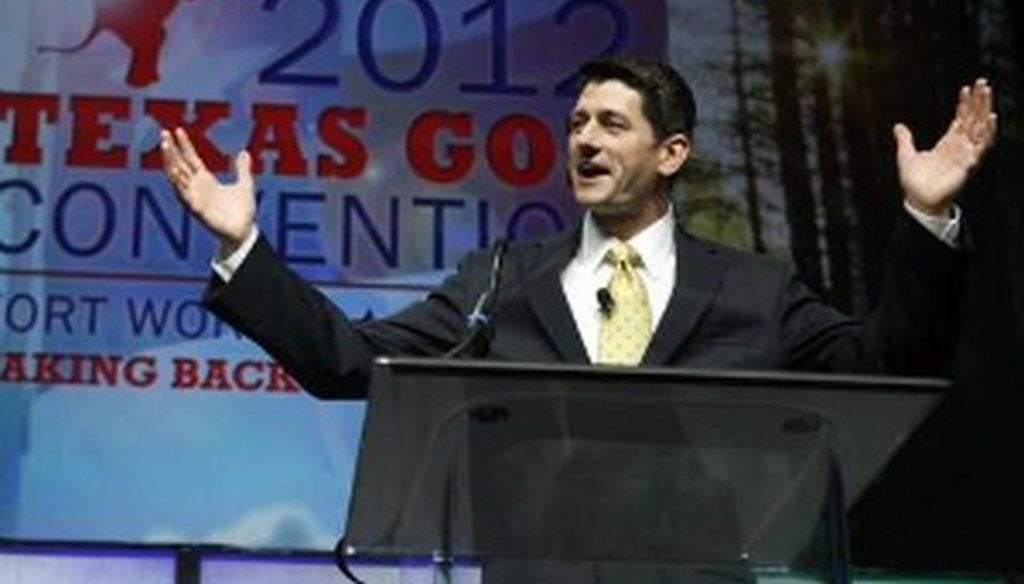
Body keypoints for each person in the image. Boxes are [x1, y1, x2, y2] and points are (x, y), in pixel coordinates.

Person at [160, 57, 997, 400]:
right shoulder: (502, 283)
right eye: (575, 125)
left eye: (609, 124)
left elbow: (895, 364)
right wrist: (243, 247)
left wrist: (927, 216)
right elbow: (349, 363)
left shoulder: (757, 291)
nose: (584, 140)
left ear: (671, 153)